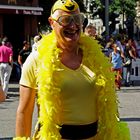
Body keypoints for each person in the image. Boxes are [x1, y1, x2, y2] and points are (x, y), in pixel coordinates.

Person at [14, 0, 130, 140]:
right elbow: (24, 112)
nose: (73, 25)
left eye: (77, 19)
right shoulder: (36, 60)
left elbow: (109, 103)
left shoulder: (96, 58)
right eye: (66, 20)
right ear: (52, 22)